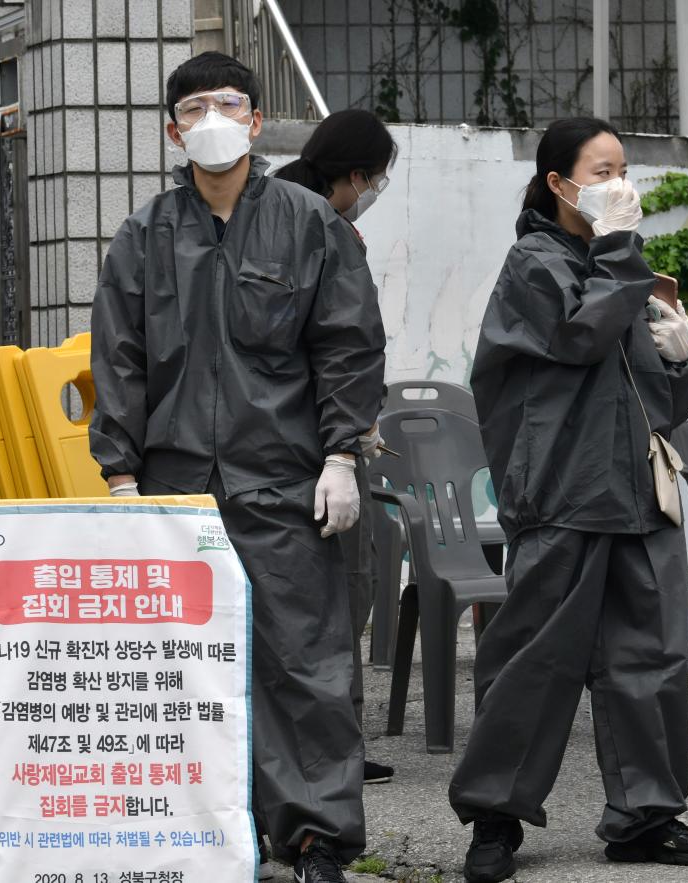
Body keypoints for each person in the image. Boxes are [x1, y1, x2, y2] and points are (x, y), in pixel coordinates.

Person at [88, 52, 386, 883]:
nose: (212, 118)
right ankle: (205, 835)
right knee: (184, 678)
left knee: (307, 667)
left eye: (228, 103)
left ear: (257, 121)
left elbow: (349, 344)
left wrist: (341, 453)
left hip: (286, 485)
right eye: (194, 106)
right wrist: (120, 478)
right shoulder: (143, 236)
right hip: (176, 494)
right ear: (172, 129)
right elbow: (120, 360)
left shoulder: (308, 223)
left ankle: (317, 837)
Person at [447, 117, 688, 883]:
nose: (619, 182)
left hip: (637, 491)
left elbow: (662, 401)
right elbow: (577, 336)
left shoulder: (619, 265)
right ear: (558, 185)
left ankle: (646, 815)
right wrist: (621, 258)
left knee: (654, 658)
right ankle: (494, 817)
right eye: (602, 170)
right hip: (565, 491)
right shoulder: (534, 264)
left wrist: (683, 350)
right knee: (533, 659)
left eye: (624, 167)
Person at [275, 109, 397, 788]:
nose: (374, 189)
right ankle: (327, 753)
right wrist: (348, 438)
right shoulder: (325, 229)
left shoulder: (273, 213)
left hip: (291, 445)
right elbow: (344, 346)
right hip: (318, 449)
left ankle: (332, 746)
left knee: (332, 600)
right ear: (354, 175)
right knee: (344, 594)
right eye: (375, 178)